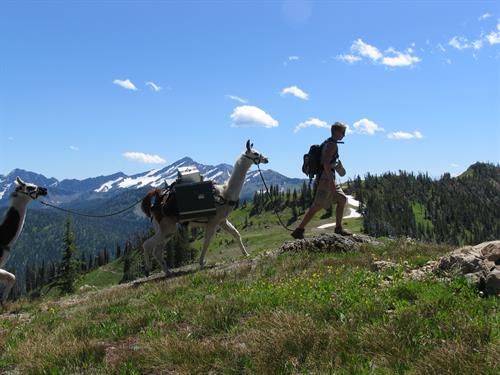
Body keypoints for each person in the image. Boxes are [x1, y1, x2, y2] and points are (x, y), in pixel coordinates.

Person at [291, 122, 352, 239]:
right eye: (343, 133)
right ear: (336, 132)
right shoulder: (332, 145)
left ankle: (338, 228)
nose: (344, 135)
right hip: (326, 179)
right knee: (317, 205)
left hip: (326, 177)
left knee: (342, 199)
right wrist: (332, 182)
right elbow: (326, 163)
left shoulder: (327, 142)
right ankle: (299, 230)